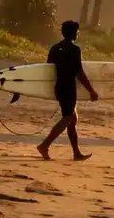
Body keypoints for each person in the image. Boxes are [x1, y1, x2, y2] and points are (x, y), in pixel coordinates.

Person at [37, 21, 98, 161]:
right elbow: (79, 73)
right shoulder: (74, 49)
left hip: (59, 86)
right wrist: (91, 91)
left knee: (72, 118)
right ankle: (44, 145)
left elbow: (48, 69)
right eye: (77, 31)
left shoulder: (55, 48)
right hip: (69, 88)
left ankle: (76, 153)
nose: (78, 33)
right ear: (73, 33)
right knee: (68, 118)